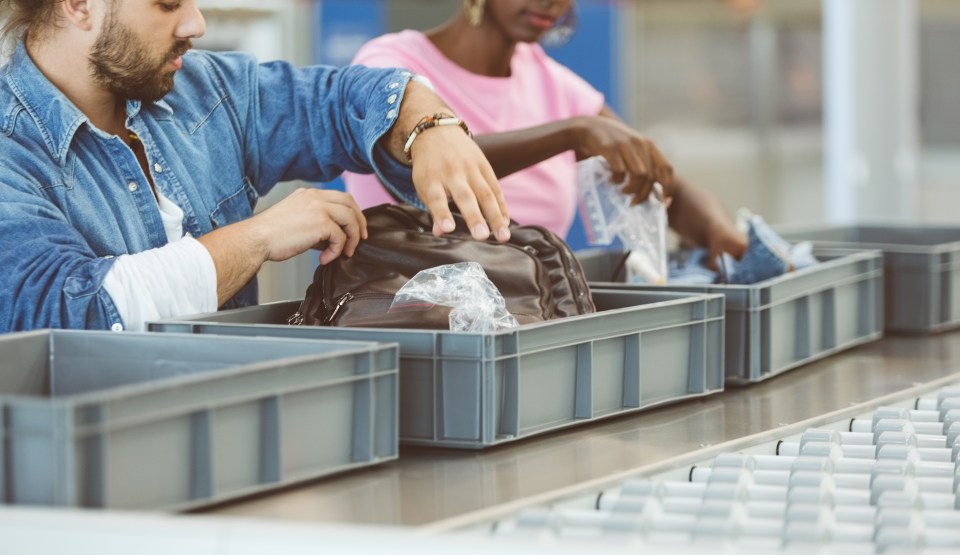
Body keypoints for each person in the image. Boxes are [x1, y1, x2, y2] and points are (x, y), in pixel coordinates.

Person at [0, 0, 511, 333]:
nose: (195, 23)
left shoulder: (209, 91)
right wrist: (256, 238)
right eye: (168, 4)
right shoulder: (10, 150)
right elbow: (67, 312)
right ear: (79, 5)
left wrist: (428, 123)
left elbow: (337, 102)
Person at [343, 0, 747, 264]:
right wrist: (571, 133)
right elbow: (438, 160)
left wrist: (718, 230)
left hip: (529, 319)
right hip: (407, 318)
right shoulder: (390, 63)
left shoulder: (556, 87)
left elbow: (652, 178)